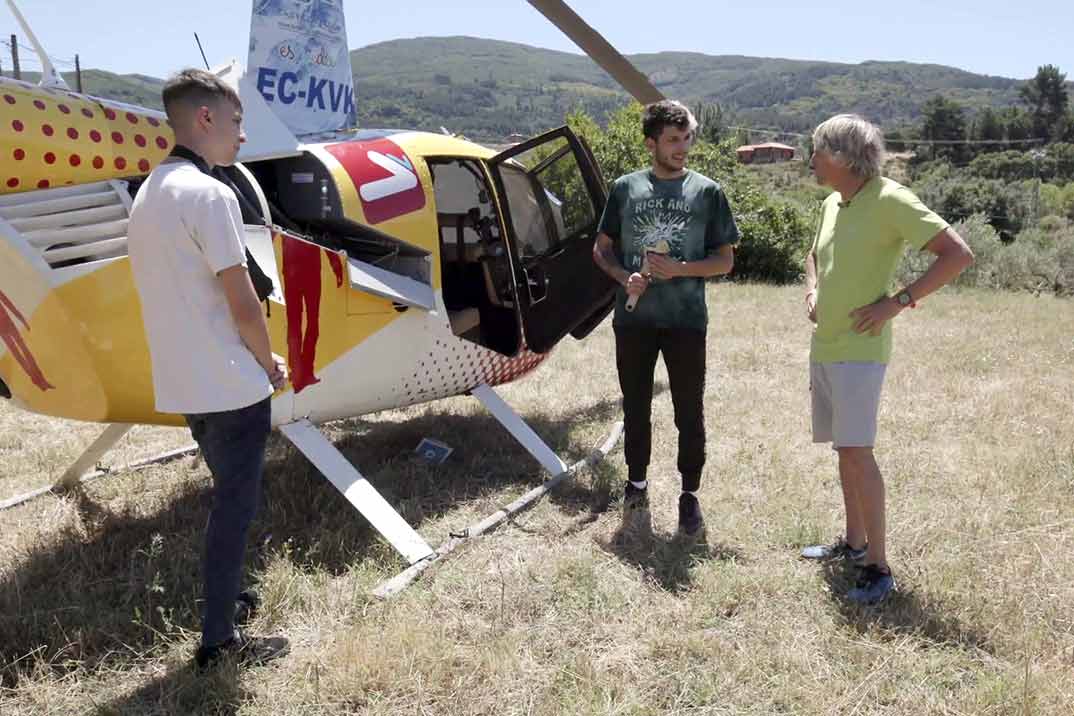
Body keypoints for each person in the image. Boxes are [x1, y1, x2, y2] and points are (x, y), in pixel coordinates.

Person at [127, 68, 289, 667]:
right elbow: (243, 302)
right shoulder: (212, 194)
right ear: (205, 119)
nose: (241, 137)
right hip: (230, 383)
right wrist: (267, 361)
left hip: (186, 383)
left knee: (227, 498)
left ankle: (228, 598)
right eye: (238, 121)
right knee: (236, 510)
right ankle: (219, 640)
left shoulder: (149, 193)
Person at [800, 114, 973, 604]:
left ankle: (878, 567)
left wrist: (896, 303)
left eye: (817, 151)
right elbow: (814, 254)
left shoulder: (891, 199)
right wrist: (812, 288)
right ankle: (854, 545)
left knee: (858, 451)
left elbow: (956, 254)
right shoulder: (834, 202)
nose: (811, 160)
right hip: (827, 344)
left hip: (861, 350)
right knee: (844, 449)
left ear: (840, 156)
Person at [592, 100, 738, 538]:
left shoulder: (707, 192)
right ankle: (636, 486)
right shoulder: (625, 188)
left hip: (686, 321)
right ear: (651, 142)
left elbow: (725, 260)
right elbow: (601, 248)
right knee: (635, 407)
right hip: (634, 322)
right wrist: (624, 277)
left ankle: (689, 496)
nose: (682, 147)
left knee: (688, 411)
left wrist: (681, 269)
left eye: (687, 138)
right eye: (673, 140)